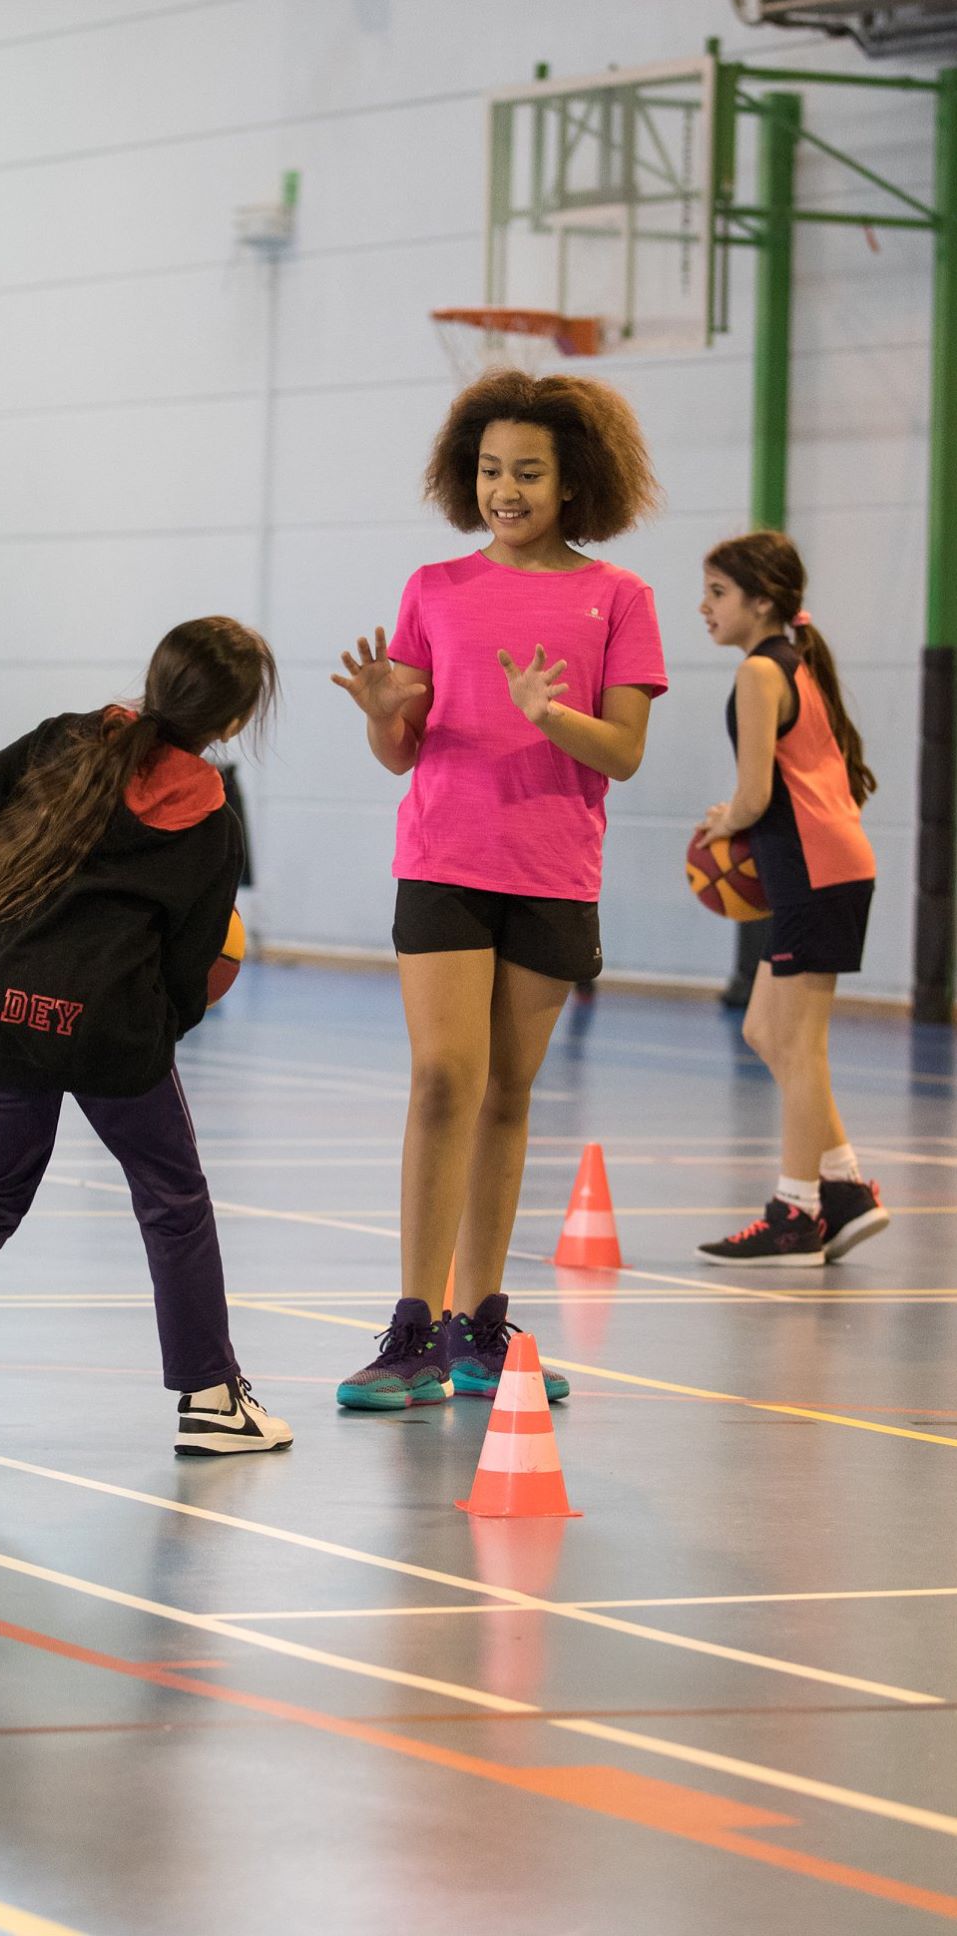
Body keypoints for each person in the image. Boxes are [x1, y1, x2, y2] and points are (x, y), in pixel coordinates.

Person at [0, 617, 293, 1462]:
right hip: (109, 1027)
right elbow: (192, 962)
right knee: (172, 1198)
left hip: (0, 997)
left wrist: (0, 898)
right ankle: (211, 1398)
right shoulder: (210, 819)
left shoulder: (69, 737)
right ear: (232, 722)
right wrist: (155, 1027)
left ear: (155, 681)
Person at [331, 369, 665, 1409]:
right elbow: (403, 752)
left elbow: (623, 753)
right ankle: (413, 1328)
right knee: (443, 1079)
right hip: (442, 858)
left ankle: (480, 1327)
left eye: (527, 472)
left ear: (573, 484)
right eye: (488, 470)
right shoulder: (433, 588)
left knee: (508, 1095)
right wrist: (381, 715)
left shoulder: (620, 598)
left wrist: (547, 715)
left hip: (552, 869)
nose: (504, 490)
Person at [694, 531, 888, 1266]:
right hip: (823, 870)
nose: (704, 607)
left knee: (800, 1046)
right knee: (765, 1032)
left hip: (816, 872)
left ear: (761, 602)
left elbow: (754, 795)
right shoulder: (792, 662)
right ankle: (844, 1187)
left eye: (718, 593)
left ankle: (795, 1213)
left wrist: (723, 822)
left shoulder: (759, 671)